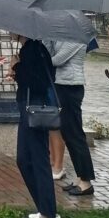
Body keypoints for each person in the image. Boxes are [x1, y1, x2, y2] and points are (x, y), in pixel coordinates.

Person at [9, 34, 59, 218]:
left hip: (34, 110)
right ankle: (46, 208)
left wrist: (17, 67)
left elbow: (38, 81)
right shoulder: (32, 49)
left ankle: (48, 214)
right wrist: (18, 71)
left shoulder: (33, 50)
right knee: (25, 159)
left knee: (36, 159)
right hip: (29, 108)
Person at [45, 39, 94, 196]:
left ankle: (86, 181)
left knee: (75, 135)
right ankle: (80, 178)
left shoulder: (76, 38)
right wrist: (47, 37)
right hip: (61, 85)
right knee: (68, 133)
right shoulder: (61, 35)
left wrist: (42, 60)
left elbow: (57, 60)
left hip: (72, 87)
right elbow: (50, 53)